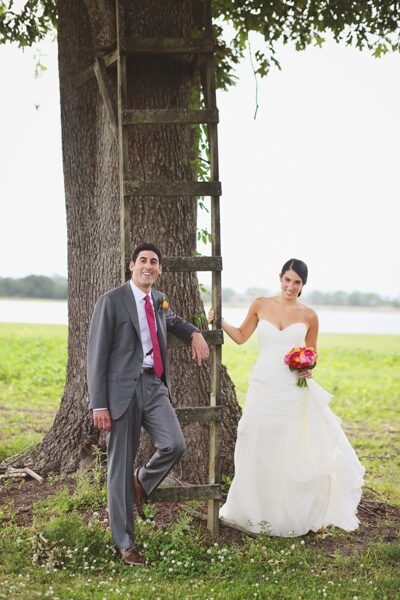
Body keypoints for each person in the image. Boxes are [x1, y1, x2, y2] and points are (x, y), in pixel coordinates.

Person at [208, 258, 364, 537]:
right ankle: (251, 510)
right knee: (254, 437)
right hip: (263, 384)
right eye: (287, 279)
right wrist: (219, 321)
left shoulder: (310, 316)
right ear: (279, 278)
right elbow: (242, 336)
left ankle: (285, 513)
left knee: (287, 446)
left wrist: (307, 368)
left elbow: (312, 353)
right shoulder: (260, 304)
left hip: (291, 389)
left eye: (297, 282)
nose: (290, 286)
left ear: (303, 285)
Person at [87, 242, 209, 565]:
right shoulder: (111, 301)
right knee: (118, 465)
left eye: (154, 262)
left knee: (174, 443)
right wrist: (98, 403)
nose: (148, 266)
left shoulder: (158, 300)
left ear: (159, 269)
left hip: (154, 387)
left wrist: (195, 332)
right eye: (143, 260)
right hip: (120, 392)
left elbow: (174, 321)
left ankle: (142, 480)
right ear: (131, 266)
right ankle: (125, 544)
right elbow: (96, 356)